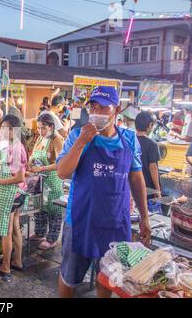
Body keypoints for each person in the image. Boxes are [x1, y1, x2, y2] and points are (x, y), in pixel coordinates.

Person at [56, 86, 151, 298]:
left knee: (107, 278)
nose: (97, 113)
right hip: (81, 221)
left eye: (104, 108)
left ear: (116, 110)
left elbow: (136, 178)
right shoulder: (75, 136)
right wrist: (82, 142)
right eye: (93, 107)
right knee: (69, 277)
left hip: (115, 223)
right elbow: (62, 172)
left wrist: (145, 217)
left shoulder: (129, 139)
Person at [0, 114, 28, 280]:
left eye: (4, 128)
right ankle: (17, 261)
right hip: (18, 194)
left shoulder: (14, 148)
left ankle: (5, 267)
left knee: (6, 231)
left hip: (10, 193)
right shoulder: (15, 145)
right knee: (15, 228)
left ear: (12, 130)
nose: (1, 131)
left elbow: (19, 177)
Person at [29, 113, 64, 250]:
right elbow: (33, 154)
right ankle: (39, 233)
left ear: (51, 126)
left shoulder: (57, 139)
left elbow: (60, 163)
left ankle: (51, 239)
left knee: (53, 210)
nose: (40, 131)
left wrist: (42, 167)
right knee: (40, 207)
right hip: (39, 179)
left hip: (52, 180)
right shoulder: (39, 138)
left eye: (43, 128)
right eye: (38, 128)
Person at [135, 111, 162, 214]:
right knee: (147, 214)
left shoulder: (130, 140)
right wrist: (158, 190)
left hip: (133, 184)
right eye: (153, 125)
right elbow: (153, 167)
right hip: (148, 188)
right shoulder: (152, 144)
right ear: (150, 125)